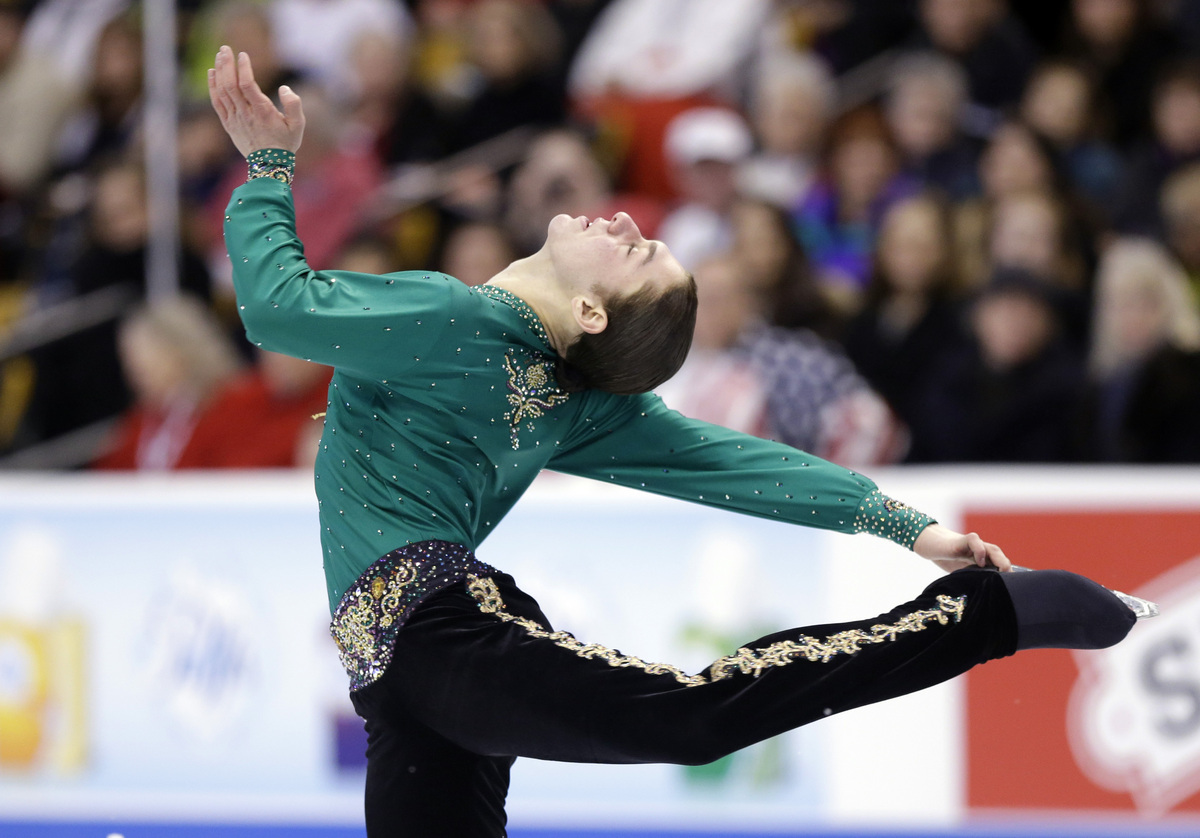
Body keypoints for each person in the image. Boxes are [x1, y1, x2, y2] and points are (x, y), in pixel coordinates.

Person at [209, 47, 1154, 837]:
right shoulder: (527, 370)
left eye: (634, 253)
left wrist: (268, 168)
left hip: (443, 634)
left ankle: (985, 618)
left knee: (694, 714)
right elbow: (736, 461)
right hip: (392, 675)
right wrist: (903, 523)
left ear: (586, 312)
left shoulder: (452, 319)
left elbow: (276, 305)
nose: (625, 219)